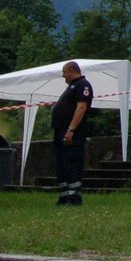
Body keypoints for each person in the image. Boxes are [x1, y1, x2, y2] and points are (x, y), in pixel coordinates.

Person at [52, 61, 93, 206]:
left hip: (71, 131)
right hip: (60, 129)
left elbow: (81, 107)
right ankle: (64, 195)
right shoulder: (72, 87)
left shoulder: (83, 85)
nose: (63, 76)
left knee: (71, 162)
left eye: (64, 72)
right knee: (61, 163)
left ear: (70, 71)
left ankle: (74, 196)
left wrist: (71, 130)